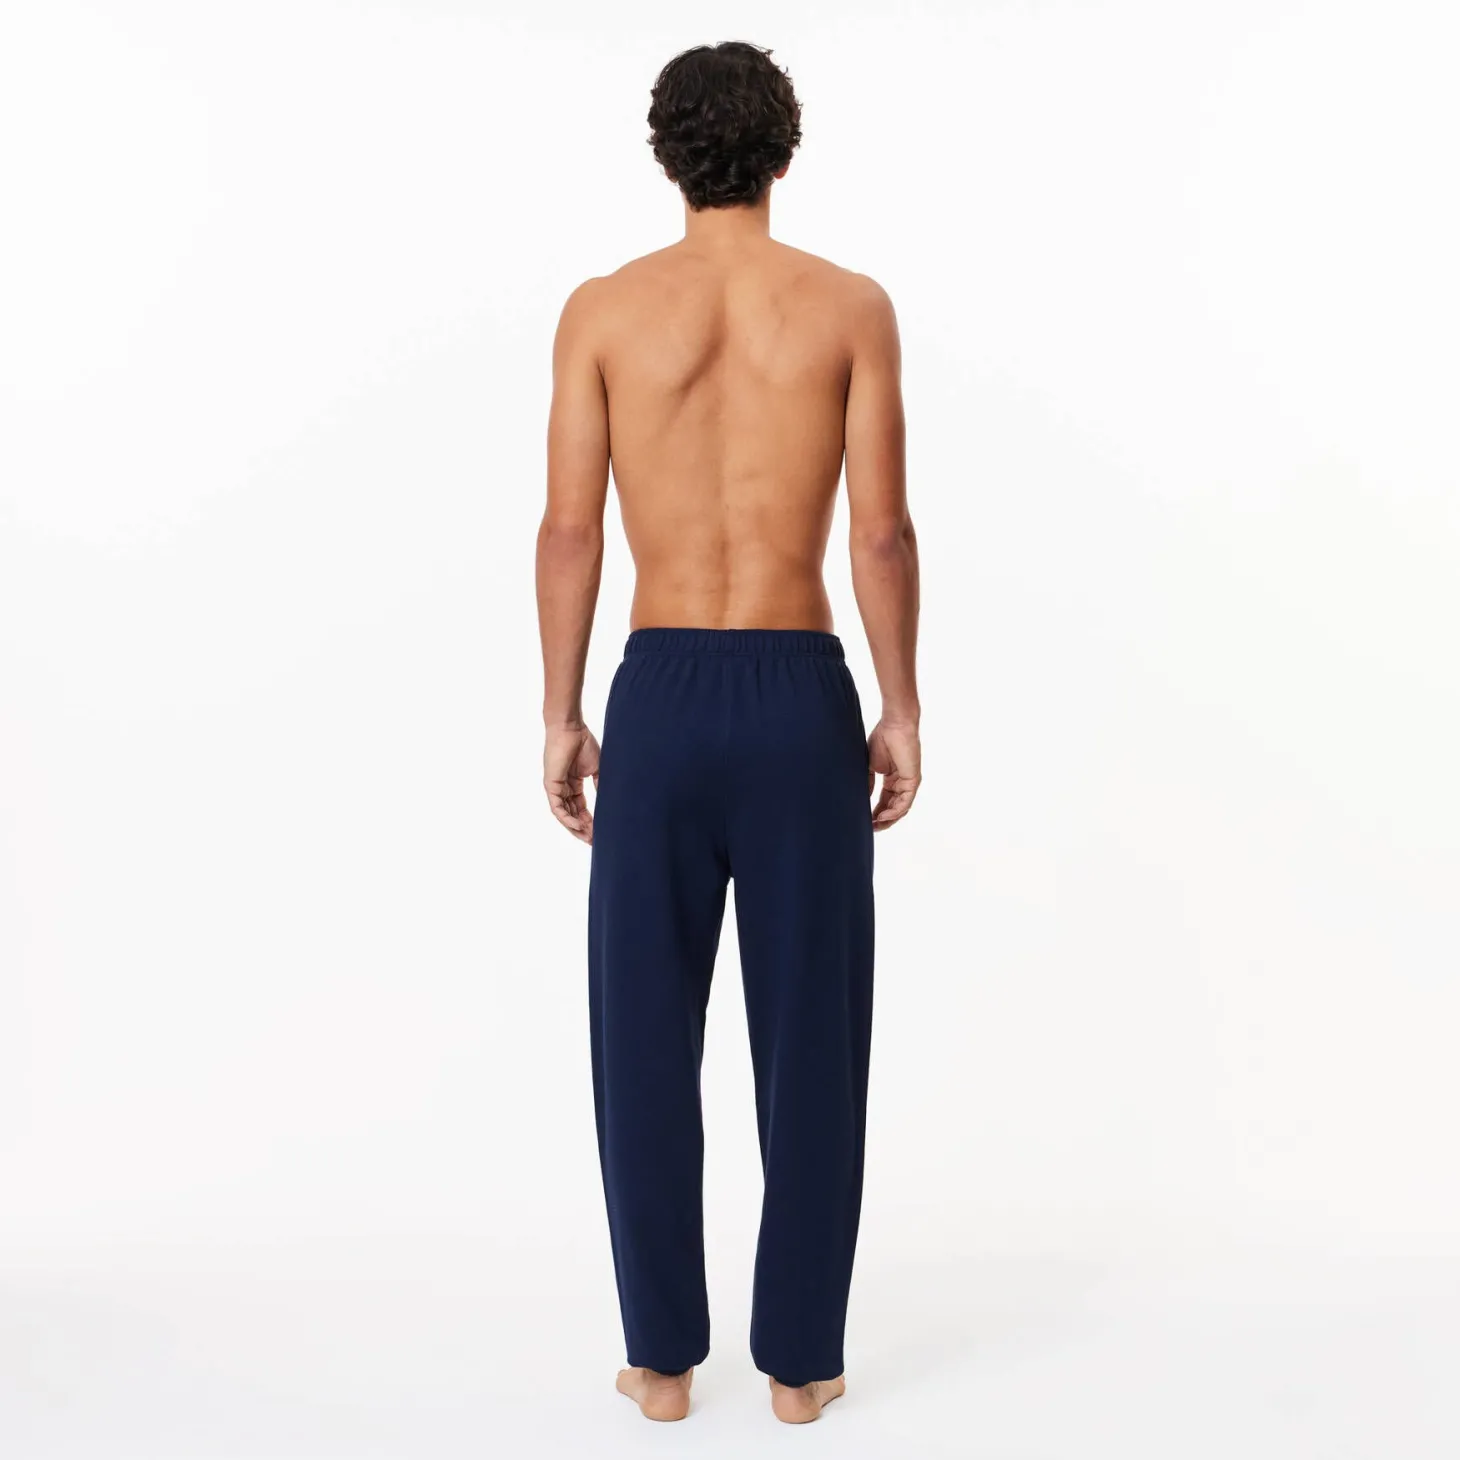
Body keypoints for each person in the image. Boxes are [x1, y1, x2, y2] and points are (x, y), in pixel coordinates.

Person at [535, 40, 921, 1425]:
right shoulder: (849, 308)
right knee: (811, 1037)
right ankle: (802, 1368)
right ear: (783, 152)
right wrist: (901, 704)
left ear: (667, 154)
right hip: (799, 694)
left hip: (659, 695)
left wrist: (562, 711)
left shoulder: (602, 313)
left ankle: (661, 1363)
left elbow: (569, 530)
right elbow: (879, 533)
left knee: (642, 1035)